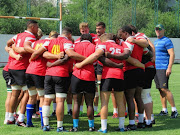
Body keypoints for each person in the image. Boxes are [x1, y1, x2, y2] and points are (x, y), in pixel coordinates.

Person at [29, 27, 86, 132]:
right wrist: (86, 58)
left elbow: (42, 53)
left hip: (48, 74)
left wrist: (51, 58)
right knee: (60, 100)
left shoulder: (50, 41)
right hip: (61, 74)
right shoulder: (66, 42)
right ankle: (59, 126)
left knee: (47, 100)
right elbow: (71, 54)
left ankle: (45, 125)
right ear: (69, 35)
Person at [74, 33, 131, 133]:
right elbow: (126, 55)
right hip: (119, 75)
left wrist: (81, 64)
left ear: (104, 39)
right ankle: (121, 127)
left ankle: (104, 128)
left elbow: (98, 56)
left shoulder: (103, 45)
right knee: (120, 102)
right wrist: (117, 66)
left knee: (104, 102)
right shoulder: (120, 47)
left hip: (107, 75)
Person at [6, 20, 38, 126]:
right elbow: (26, 48)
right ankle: (20, 118)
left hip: (12, 67)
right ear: (32, 27)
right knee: (27, 93)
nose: (37, 29)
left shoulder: (18, 35)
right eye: (37, 27)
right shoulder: (31, 37)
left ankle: (10, 117)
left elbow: (8, 43)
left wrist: (14, 47)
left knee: (14, 94)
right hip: (23, 67)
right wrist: (19, 50)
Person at [154, 24, 178, 118]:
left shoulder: (167, 40)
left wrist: (169, 67)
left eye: (160, 29)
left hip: (163, 68)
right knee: (160, 89)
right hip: (156, 68)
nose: (158, 31)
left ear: (163, 30)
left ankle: (174, 110)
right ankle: (164, 110)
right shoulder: (156, 42)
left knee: (165, 88)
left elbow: (172, 54)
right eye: (156, 29)